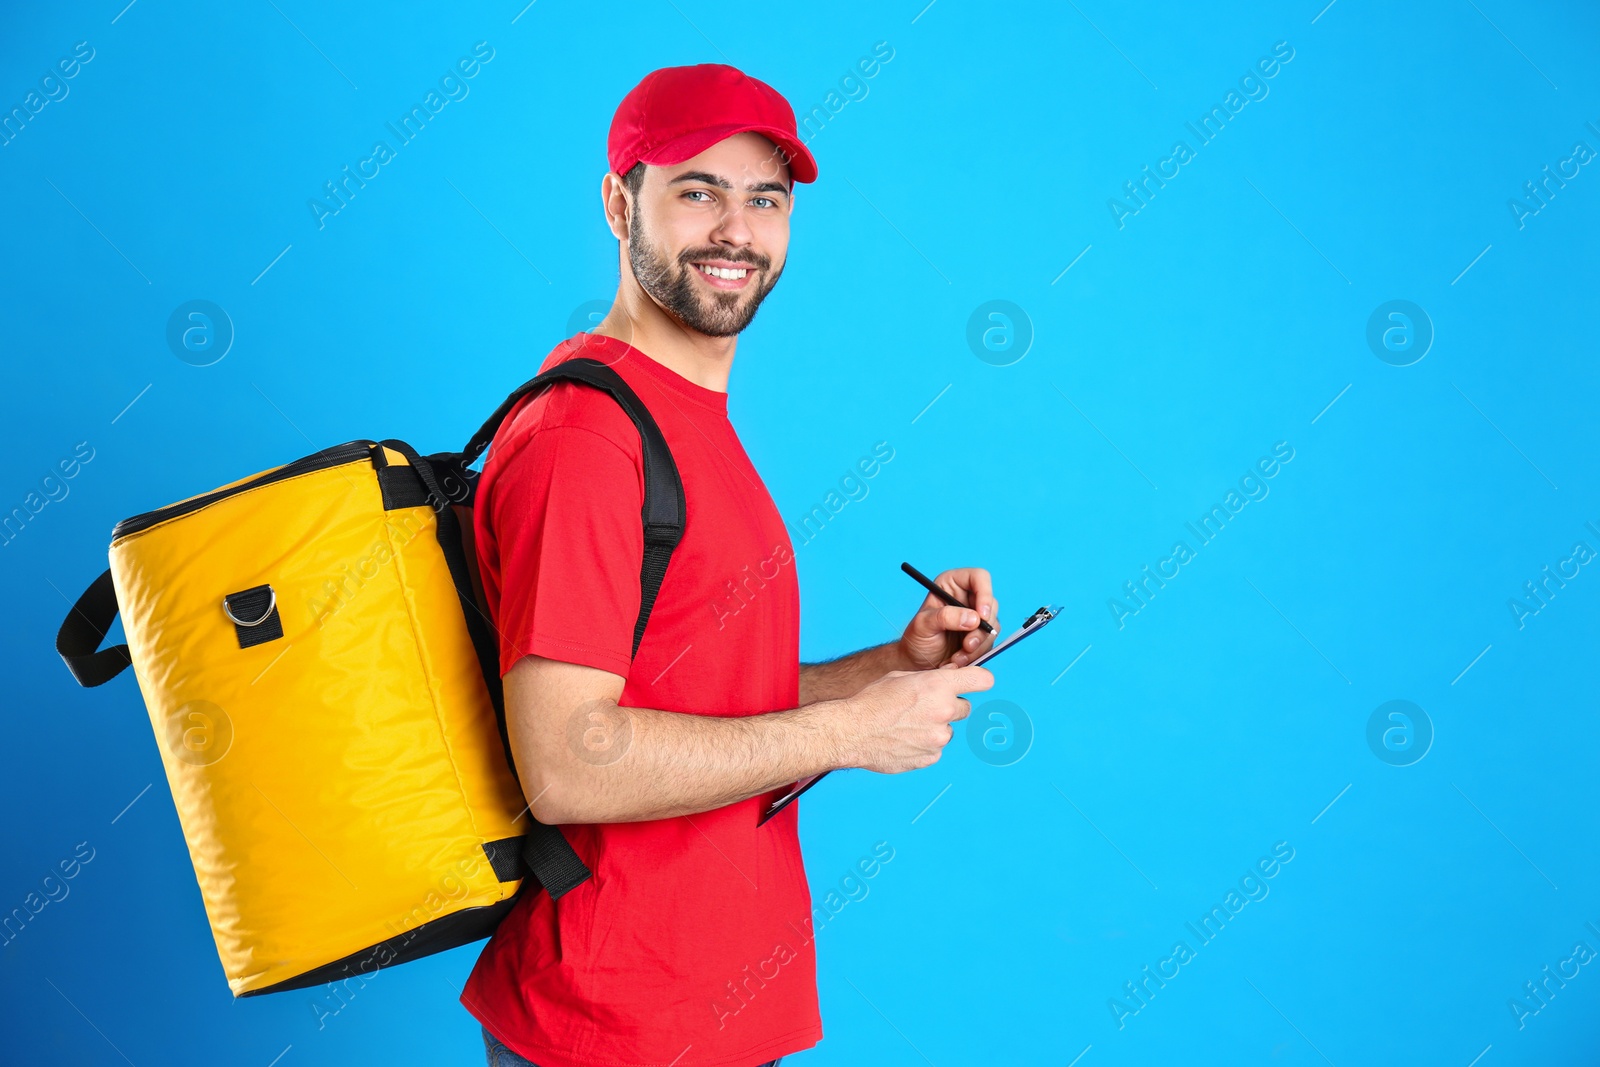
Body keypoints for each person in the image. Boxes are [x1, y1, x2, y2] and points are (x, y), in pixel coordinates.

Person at [460, 63, 1000, 1067]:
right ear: (620, 204)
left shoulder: (685, 417)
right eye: (697, 190)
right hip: (613, 1023)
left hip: (714, 1008)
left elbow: (694, 697)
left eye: (766, 198)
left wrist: (892, 669)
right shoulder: (586, 435)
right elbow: (567, 761)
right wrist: (847, 729)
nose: (736, 231)